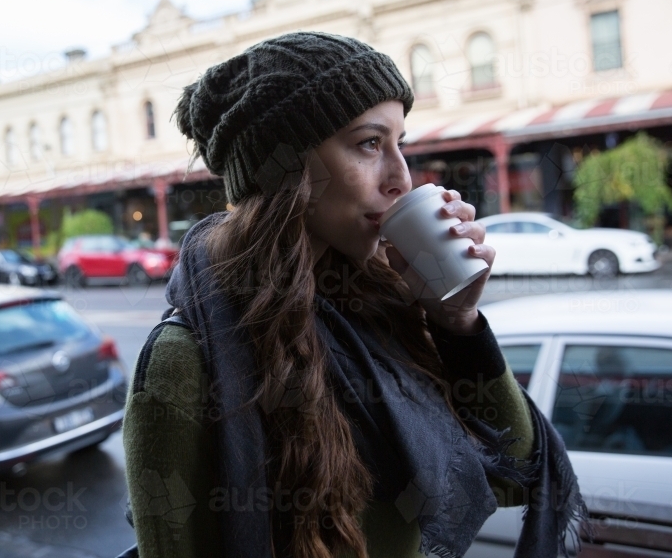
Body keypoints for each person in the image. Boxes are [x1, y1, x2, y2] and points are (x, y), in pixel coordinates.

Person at [121, 32, 587, 558]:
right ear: (287, 169)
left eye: (400, 144)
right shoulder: (186, 363)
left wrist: (457, 321)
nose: (401, 178)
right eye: (369, 143)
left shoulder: (389, 308)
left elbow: (512, 472)